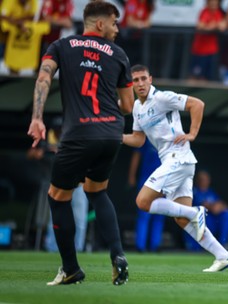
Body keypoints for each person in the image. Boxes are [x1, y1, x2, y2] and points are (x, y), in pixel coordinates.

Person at [27, 0, 133, 285]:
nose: (117, 28)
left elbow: (44, 77)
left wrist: (37, 117)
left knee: (57, 197)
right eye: (114, 23)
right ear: (100, 24)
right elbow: (127, 104)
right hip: (111, 133)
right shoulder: (119, 54)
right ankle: (118, 255)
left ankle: (71, 268)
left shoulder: (61, 46)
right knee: (97, 192)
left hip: (79, 134)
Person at [122, 64, 228, 272]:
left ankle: (195, 212)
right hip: (174, 162)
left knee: (143, 201)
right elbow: (138, 140)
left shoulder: (162, 97)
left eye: (143, 78)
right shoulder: (137, 108)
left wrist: (192, 134)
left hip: (178, 158)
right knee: (182, 219)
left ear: (150, 79)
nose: (140, 83)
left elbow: (197, 104)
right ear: (131, 84)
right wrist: (116, 137)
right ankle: (223, 255)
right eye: (135, 80)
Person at [127, 140, 165, 252]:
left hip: (163, 180)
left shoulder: (168, 136)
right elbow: (136, 156)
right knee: (143, 212)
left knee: (160, 212)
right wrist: (132, 176)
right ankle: (140, 245)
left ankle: (155, 245)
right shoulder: (147, 136)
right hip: (146, 179)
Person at [186, 170, 228, 251]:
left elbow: (221, 205)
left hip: (212, 223)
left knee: (226, 214)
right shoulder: (194, 191)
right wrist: (214, 207)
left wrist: (219, 207)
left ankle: (222, 243)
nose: (204, 181)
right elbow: (205, 206)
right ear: (197, 180)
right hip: (197, 225)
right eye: (201, 179)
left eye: (206, 179)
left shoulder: (211, 192)